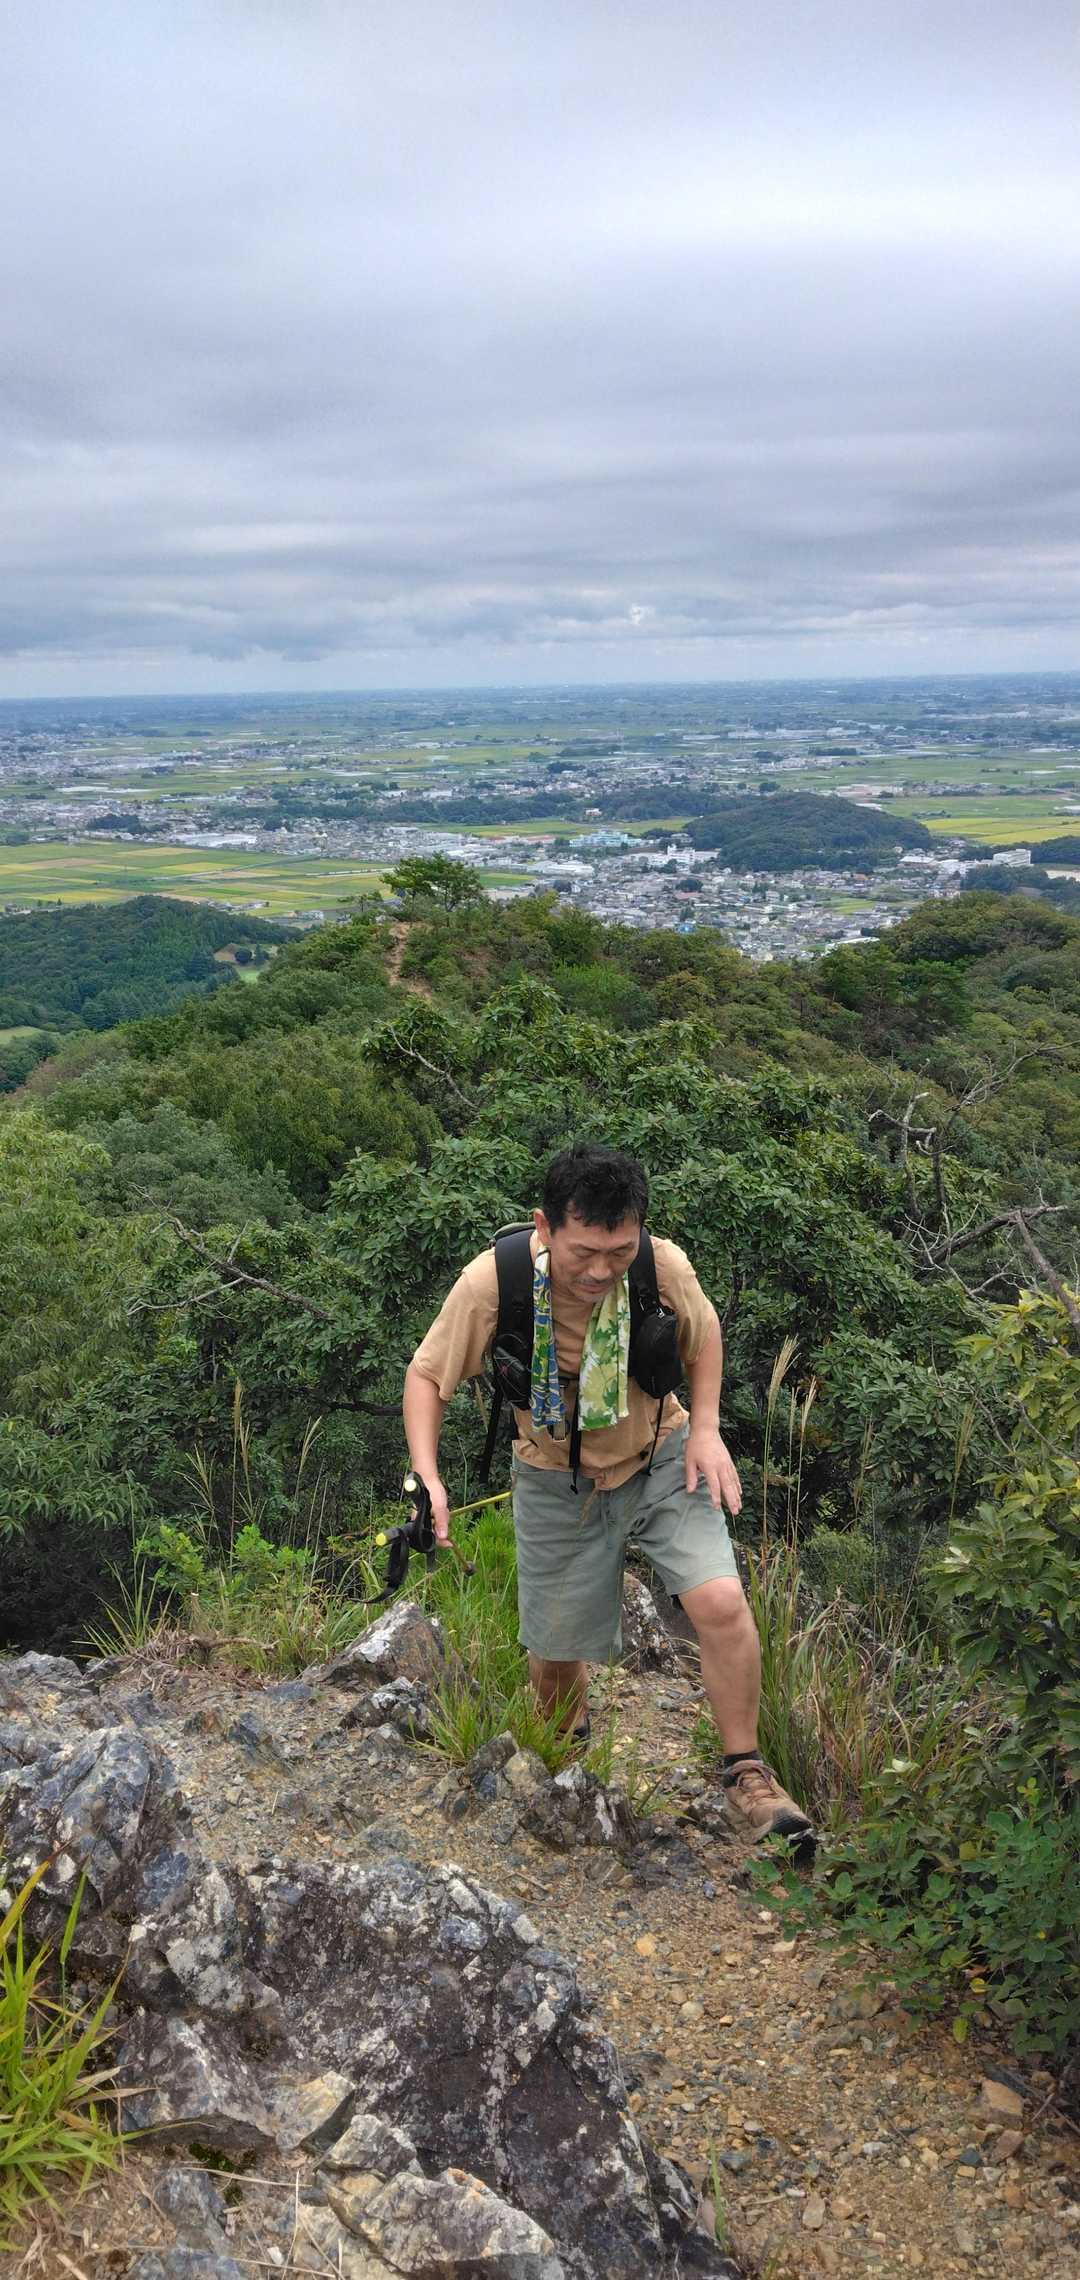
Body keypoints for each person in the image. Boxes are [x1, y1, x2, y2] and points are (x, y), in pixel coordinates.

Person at [403, 1142, 812, 1843]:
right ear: (545, 1226)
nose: (600, 1271)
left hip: (660, 1454)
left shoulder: (661, 1266)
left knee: (721, 1601)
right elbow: (427, 1376)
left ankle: (747, 1775)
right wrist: (428, 1478)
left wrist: (707, 1429)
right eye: (584, 1252)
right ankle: (571, 1762)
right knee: (555, 1654)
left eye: (619, 1252)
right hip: (553, 1473)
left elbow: (704, 1335)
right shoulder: (493, 1281)